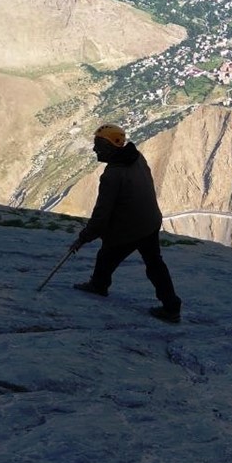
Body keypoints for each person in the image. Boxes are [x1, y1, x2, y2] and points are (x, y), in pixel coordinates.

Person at [70, 124, 182, 324]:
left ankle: (98, 285)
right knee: (155, 263)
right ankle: (171, 307)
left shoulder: (112, 175)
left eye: (98, 145)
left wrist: (84, 237)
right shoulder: (137, 157)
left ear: (111, 146)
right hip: (150, 221)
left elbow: (101, 215)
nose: (95, 149)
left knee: (107, 255)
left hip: (131, 228)